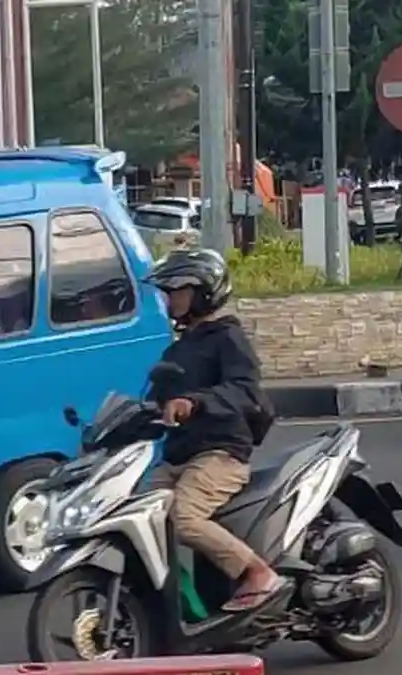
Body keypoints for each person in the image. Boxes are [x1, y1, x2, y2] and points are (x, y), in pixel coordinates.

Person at [144, 248, 284, 612]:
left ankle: (257, 573)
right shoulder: (178, 350)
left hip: (220, 453)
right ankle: (179, 603)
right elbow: (157, 401)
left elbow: (245, 389)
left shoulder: (227, 337)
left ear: (203, 292)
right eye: (168, 292)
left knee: (183, 517)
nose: (170, 300)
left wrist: (195, 402)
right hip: (179, 457)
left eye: (178, 291)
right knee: (138, 517)